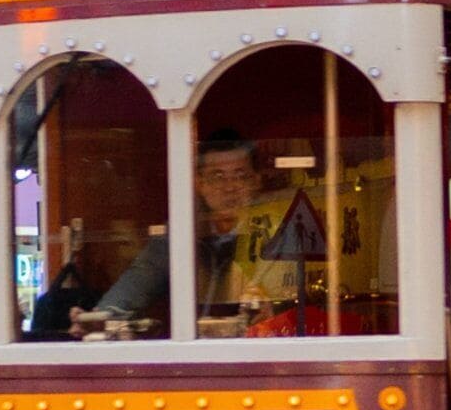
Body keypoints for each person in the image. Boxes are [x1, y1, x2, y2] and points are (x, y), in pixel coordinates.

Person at [90, 130, 315, 328]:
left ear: (256, 181)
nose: (229, 188)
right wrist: (100, 317)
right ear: (200, 184)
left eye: (240, 176)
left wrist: (276, 311)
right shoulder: (181, 232)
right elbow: (138, 282)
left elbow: (303, 300)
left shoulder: (280, 232)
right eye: (217, 177)